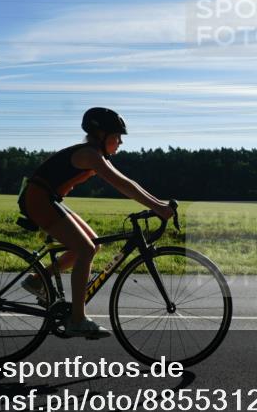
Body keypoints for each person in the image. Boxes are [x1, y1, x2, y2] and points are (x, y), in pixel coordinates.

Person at [18, 107, 175, 339]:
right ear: (101, 135)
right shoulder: (90, 155)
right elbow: (123, 185)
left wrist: (159, 205)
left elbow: (128, 182)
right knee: (85, 248)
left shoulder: (95, 154)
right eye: (117, 136)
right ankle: (77, 320)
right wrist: (158, 207)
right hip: (39, 199)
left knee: (92, 243)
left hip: (45, 197)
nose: (120, 142)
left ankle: (36, 280)